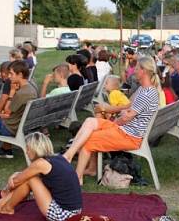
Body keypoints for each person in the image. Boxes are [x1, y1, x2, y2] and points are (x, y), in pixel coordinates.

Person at [63, 55, 160, 183]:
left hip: (129, 136)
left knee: (88, 139)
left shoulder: (146, 93)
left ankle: (77, 177)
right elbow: (128, 108)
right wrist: (113, 113)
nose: (134, 71)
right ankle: (70, 155)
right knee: (90, 121)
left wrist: (112, 122)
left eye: (136, 68)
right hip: (126, 130)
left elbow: (126, 118)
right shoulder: (145, 89)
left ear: (143, 71)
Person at [0, 132, 83, 221]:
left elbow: (16, 182)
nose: (26, 152)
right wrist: (16, 174)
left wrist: (7, 188)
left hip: (64, 214)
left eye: (28, 148)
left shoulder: (40, 163)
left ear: (35, 148)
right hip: (75, 210)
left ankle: (7, 208)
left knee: (31, 179)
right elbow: (24, 175)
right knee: (30, 178)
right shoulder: (57, 158)